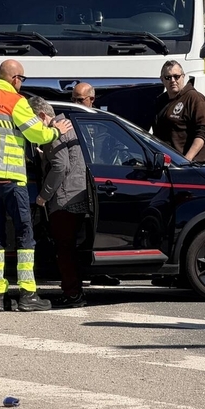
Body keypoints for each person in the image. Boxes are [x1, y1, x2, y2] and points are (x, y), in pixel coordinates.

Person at [0, 59, 73, 312]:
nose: (22, 84)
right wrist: (57, 132)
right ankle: (27, 295)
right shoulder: (15, 102)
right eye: (22, 79)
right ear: (15, 78)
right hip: (10, 177)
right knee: (24, 235)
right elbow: (37, 134)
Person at [28, 97, 90, 308]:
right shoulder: (70, 126)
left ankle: (73, 295)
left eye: (33, 121)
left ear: (42, 116)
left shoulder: (55, 131)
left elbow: (60, 166)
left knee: (64, 250)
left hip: (64, 199)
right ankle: (74, 292)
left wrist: (43, 196)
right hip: (77, 194)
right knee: (70, 248)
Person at [69, 84, 121, 287]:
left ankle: (99, 271)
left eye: (79, 100)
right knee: (78, 233)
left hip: (99, 185)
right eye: (73, 99)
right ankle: (78, 272)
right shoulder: (69, 123)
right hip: (76, 186)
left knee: (98, 230)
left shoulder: (101, 125)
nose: (75, 104)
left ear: (92, 99)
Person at [152, 60, 205, 162]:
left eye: (176, 76)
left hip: (192, 166)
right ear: (162, 80)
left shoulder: (194, 98)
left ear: (183, 76)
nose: (172, 80)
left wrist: (187, 159)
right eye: (168, 77)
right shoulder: (160, 101)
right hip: (169, 164)